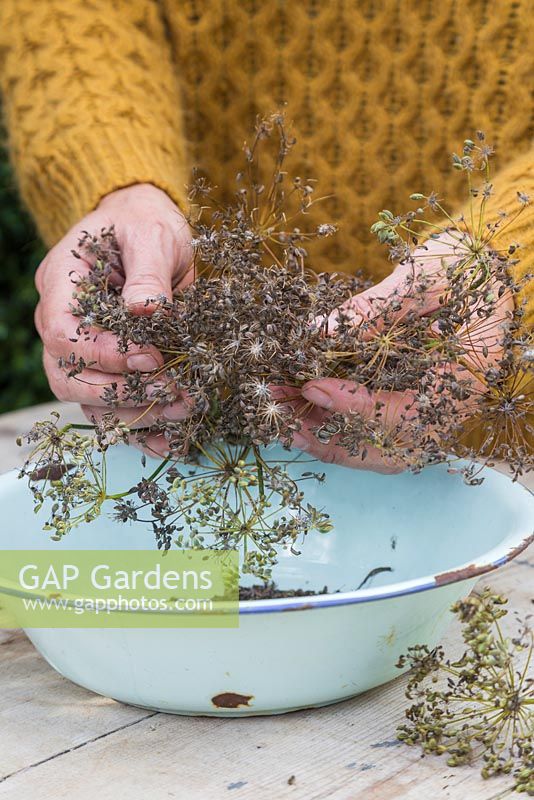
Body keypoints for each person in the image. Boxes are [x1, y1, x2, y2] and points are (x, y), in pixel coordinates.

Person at [0, 1, 532, 470]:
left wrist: (508, 261)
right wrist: (120, 184)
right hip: (195, 429)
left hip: (498, 444)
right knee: (178, 580)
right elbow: (66, 18)